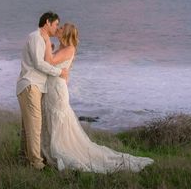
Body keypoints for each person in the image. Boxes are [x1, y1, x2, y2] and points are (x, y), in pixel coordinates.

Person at [40, 22, 154, 173]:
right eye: (58, 27)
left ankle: (59, 152)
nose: (58, 29)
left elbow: (50, 62)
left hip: (57, 91)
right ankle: (46, 152)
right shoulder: (62, 48)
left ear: (66, 34)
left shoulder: (69, 49)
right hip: (52, 89)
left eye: (61, 28)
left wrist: (47, 40)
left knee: (58, 122)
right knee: (51, 121)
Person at [16, 11, 69, 170]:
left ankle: (24, 158)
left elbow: (42, 60)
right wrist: (60, 72)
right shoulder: (36, 37)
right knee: (35, 126)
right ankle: (36, 163)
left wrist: (49, 47)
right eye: (56, 24)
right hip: (31, 85)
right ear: (48, 22)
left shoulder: (41, 39)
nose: (57, 28)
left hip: (34, 86)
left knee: (28, 126)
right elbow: (39, 64)